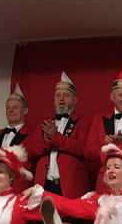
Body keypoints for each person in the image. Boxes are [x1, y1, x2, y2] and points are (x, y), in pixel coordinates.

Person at [24, 73, 92, 204]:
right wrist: (46, 140)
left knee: (70, 223)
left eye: (66, 95)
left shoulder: (83, 121)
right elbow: (31, 152)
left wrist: (55, 138)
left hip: (70, 185)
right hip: (44, 185)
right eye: (58, 95)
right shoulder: (43, 124)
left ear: (75, 100)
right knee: (44, 223)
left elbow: (83, 149)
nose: (61, 99)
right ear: (53, 99)